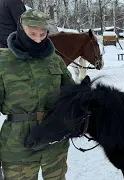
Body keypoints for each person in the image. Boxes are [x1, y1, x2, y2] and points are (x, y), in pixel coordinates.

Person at [0, 9, 74, 180]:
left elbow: (71, 93)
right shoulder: (3, 62)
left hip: (54, 139)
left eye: (42, 34)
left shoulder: (54, 59)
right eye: (32, 33)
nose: (38, 39)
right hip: (17, 145)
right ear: (20, 29)